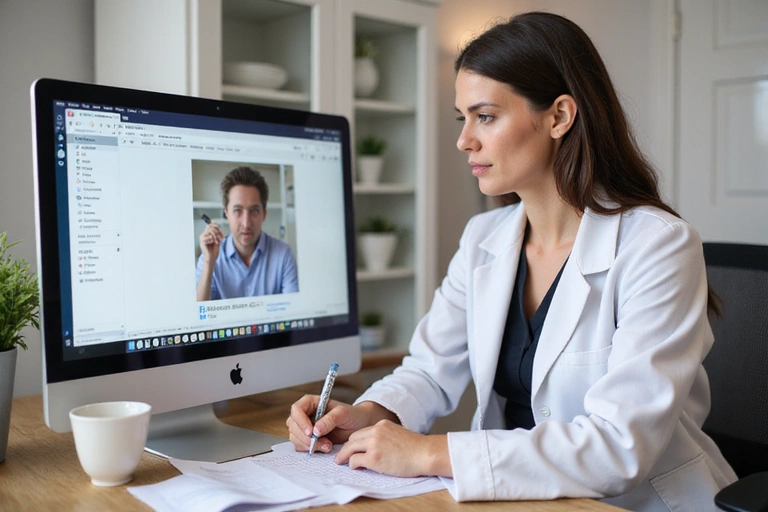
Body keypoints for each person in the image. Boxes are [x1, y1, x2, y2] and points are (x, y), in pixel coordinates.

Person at [286, 11, 737, 512]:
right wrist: (370, 412)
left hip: (637, 504)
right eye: (463, 118)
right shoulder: (485, 237)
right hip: (523, 500)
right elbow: (430, 371)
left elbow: (618, 446)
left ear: (559, 117)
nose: (464, 140)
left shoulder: (659, 246)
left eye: (485, 116)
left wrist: (429, 452)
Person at [196, 166, 298, 300]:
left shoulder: (283, 254)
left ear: (264, 214)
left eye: (254, 211)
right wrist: (209, 263)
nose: (246, 223)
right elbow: (199, 310)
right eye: (237, 211)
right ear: (227, 214)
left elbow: (293, 308)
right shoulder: (208, 257)